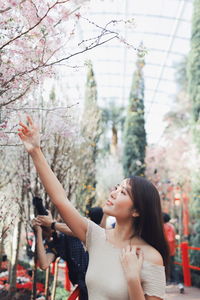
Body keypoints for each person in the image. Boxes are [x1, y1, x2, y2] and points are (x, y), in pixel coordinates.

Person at [18, 116, 169, 300]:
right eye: (117, 188)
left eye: (123, 192)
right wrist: (35, 151)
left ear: (136, 211)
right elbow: (61, 200)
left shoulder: (150, 257)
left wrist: (132, 279)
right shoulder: (96, 236)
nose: (113, 193)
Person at [33, 207, 104, 300]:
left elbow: (83, 231)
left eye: (45, 228)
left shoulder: (73, 229)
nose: (46, 233)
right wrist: (38, 232)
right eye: (44, 230)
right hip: (85, 292)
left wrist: (52, 224)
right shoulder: (58, 242)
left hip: (103, 287)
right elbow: (44, 264)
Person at [163, 213, 184, 293]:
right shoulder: (171, 226)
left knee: (162, 268)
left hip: (164, 250)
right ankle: (180, 285)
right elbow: (172, 239)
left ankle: (162, 286)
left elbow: (168, 239)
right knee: (173, 268)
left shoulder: (163, 226)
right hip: (172, 251)